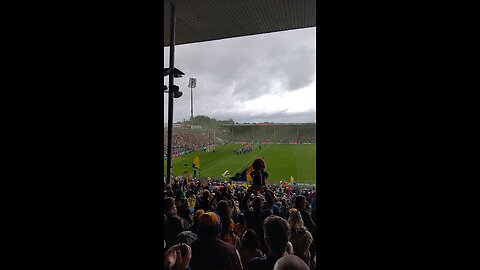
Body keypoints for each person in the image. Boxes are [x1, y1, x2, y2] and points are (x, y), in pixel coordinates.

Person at [242, 185, 273, 254]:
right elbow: (271, 203)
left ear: (252, 205)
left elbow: (244, 203)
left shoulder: (248, 214)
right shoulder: (267, 213)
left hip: (250, 240)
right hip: (263, 240)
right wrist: (266, 191)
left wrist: (250, 191)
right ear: (262, 205)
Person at [294, 195, 316, 260]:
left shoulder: (291, 211)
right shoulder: (304, 213)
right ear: (300, 203)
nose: (306, 203)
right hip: (305, 239)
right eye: (304, 202)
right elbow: (313, 227)